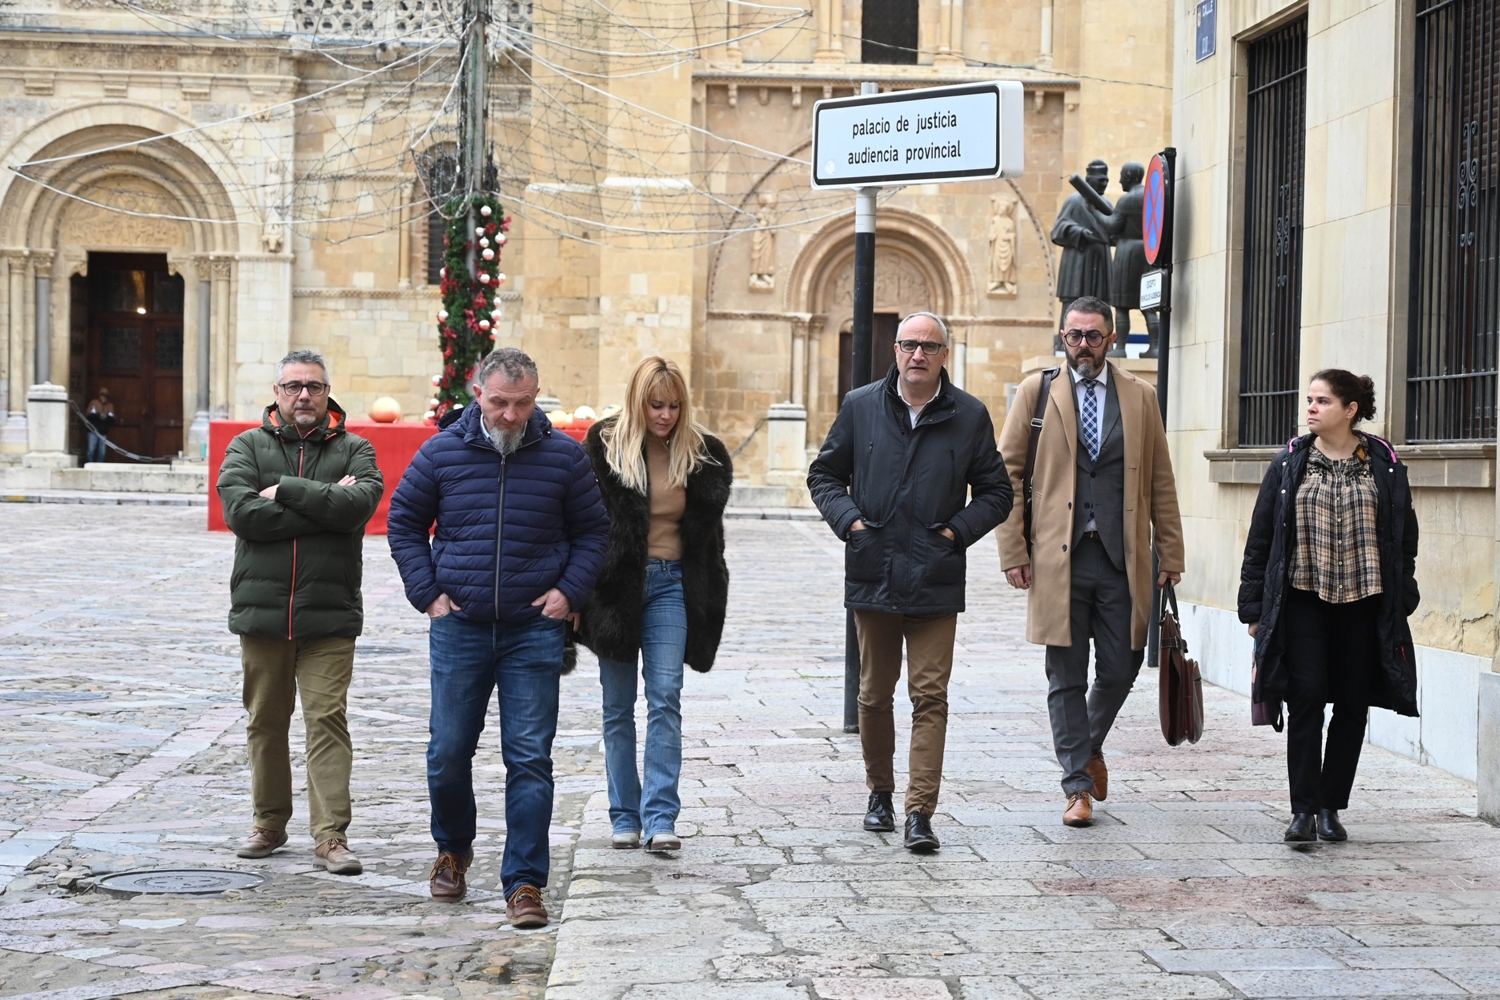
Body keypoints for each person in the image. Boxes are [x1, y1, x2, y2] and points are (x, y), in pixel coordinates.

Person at [387, 348, 609, 926]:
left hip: (533, 629)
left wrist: (570, 593)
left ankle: (526, 883)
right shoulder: (441, 452)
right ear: (478, 395)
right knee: (447, 752)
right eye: (500, 402)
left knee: (530, 758)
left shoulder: (563, 457)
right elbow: (405, 522)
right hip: (458, 626)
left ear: (537, 399)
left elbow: (593, 533)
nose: (510, 415)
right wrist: (427, 593)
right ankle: (453, 851)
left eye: (523, 403)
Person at [808, 312, 1012, 853]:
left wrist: (954, 533)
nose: (917, 354)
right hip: (873, 570)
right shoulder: (861, 407)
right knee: (874, 696)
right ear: (895, 351)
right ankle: (880, 791)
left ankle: (921, 811)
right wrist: (851, 524)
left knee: (930, 697)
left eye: (929, 346)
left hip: (934, 578)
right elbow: (823, 474)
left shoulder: (969, 416)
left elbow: (997, 492)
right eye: (908, 345)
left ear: (945, 354)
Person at [996, 296, 1184, 828]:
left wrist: (1170, 550)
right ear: (1062, 336)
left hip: (1123, 559)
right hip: (1058, 559)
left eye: (1093, 336)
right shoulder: (1038, 391)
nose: (1082, 345)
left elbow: (1160, 481)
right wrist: (1013, 550)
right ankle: (1077, 785)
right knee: (1065, 674)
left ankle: (1087, 745)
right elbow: (1005, 475)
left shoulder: (1141, 397)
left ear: (1112, 339)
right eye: (1074, 336)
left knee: (1123, 666)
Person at [216, 349, 384, 874]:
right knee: (265, 722)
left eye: (313, 386)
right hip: (262, 615)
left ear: (328, 392)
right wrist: (325, 506)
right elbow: (243, 515)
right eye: (293, 386)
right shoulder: (246, 445)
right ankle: (269, 823)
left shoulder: (357, 449)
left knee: (326, 720)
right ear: (277, 393)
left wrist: (286, 491)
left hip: (329, 615)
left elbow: (360, 506)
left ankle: (331, 835)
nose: (304, 395)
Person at [1239, 370, 1419, 843]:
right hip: (1303, 599)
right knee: (1306, 698)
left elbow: (1404, 536)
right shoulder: (1291, 462)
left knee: (1353, 705)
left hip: (1365, 601)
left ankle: (1330, 806)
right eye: (1310, 400)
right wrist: (1254, 608)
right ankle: (1302, 809)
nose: (1311, 408)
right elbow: (1261, 538)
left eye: (1322, 401)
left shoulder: (1383, 462)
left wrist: (1404, 594)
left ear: (1350, 409)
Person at [573, 356, 733, 853]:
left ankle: (661, 816)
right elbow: (579, 522)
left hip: (670, 584)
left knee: (665, 697)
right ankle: (624, 816)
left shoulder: (701, 454)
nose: (664, 415)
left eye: (673, 406)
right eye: (655, 405)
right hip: (615, 588)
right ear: (637, 401)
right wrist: (577, 591)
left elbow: (709, 539)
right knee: (617, 708)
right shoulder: (602, 446)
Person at [1051, 159, 1113, 352]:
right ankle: (1067, 339)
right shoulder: (1074, 201)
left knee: (1100, 302)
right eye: (1101, 180)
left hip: (1100, 259)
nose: (1104, 183)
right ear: (1089, 180)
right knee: (1073, 301)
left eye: (1106, 180)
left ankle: (1102, 340)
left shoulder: (1106, 204)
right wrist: (1079, 232)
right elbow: (1058, 230)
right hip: (1079, 259)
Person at [85, 388, 116, 464]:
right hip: (93, 431)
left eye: (106, 395)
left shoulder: (110, 406)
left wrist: (105, 417)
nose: (104, 397)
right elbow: (88, 415)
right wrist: (99, 416)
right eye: (102, 394)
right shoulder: (94, 403)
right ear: (99, 395)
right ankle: (90, 465)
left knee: (102, 452)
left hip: (103, 432)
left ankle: (99, 465)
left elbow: (112, 418)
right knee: (91, 450)